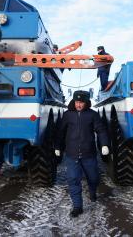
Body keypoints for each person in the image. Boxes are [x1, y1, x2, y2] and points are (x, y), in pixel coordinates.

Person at [55, 90, 110, 218]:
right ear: (74, 101)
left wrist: (105, 144)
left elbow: (101, 130)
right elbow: (60, 132)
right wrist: (58, 147)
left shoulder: (93, 115)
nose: (79, 105)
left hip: (88, 154)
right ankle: (77, 207)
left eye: (82, 103)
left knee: (93, 178)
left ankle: (92, 192)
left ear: (87, 103)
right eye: (77, 102)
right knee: (73, 179)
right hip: (71, 154)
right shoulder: (67, 115)